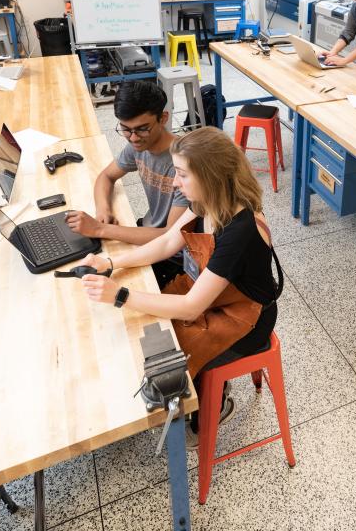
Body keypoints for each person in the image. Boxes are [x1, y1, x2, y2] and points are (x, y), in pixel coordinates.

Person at [76, 127, 282, 438]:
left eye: (183, 175)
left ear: (210, 176)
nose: (175, 182)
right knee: (143, 330)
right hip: (213, 296)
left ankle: (215, 403)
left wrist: (119, 294)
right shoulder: (207, 201)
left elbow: (189, 308)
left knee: (164, 357)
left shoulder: (239, 231)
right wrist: (110, 262)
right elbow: (165, 244)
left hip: (245, 320)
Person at [66, 81, 190, 287]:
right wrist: (103, 209)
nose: (133, 138)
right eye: (125, 129)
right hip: (148, 231)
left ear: (163, 118)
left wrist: (99, 229)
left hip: (172, 255)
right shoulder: (138, 145)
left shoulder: (185, 165)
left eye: (142, 129)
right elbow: (106, 176)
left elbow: (169, 236)